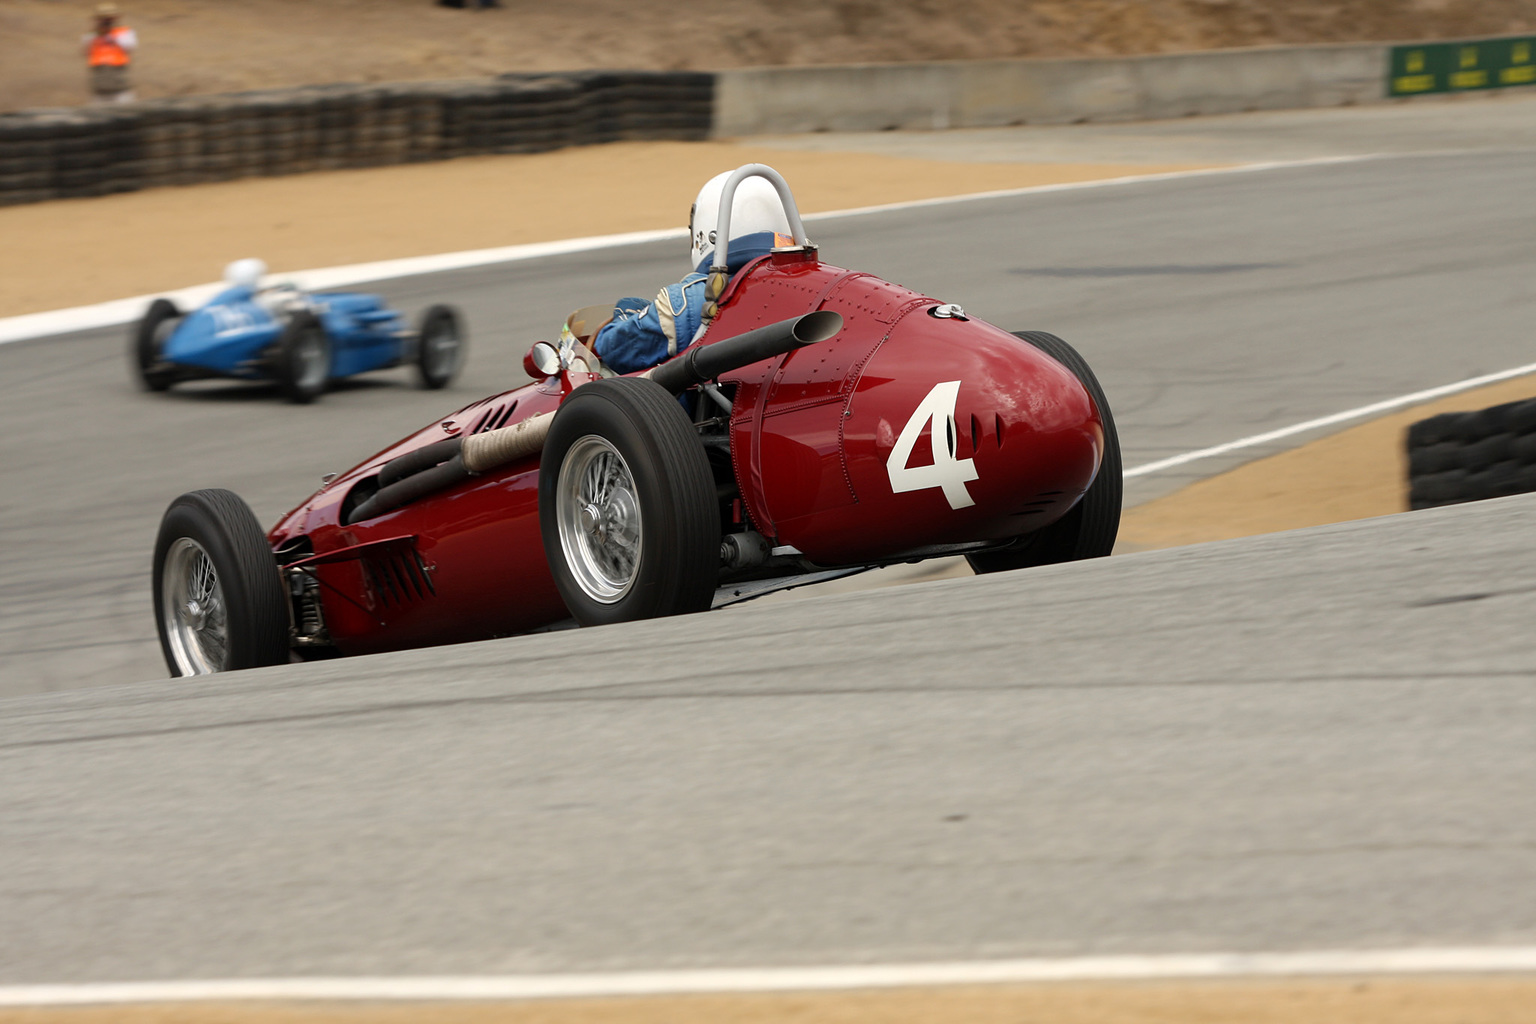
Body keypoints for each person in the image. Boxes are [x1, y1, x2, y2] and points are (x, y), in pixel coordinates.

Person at [590, 171, 795, 375]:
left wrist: (626, 310)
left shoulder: (688, 301)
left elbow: (613, 349)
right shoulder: (814, 283)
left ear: (707, 232)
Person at [81, 2, 137, 104]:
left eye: (109, 18)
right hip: (99, 88)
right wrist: (98, 33)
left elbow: (129, 46)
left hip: (120, 87)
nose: (107, 21)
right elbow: (85, 52)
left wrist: (110, 33)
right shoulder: (91, 35)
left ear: (115, 18)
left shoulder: (124, 33)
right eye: (104, 18)